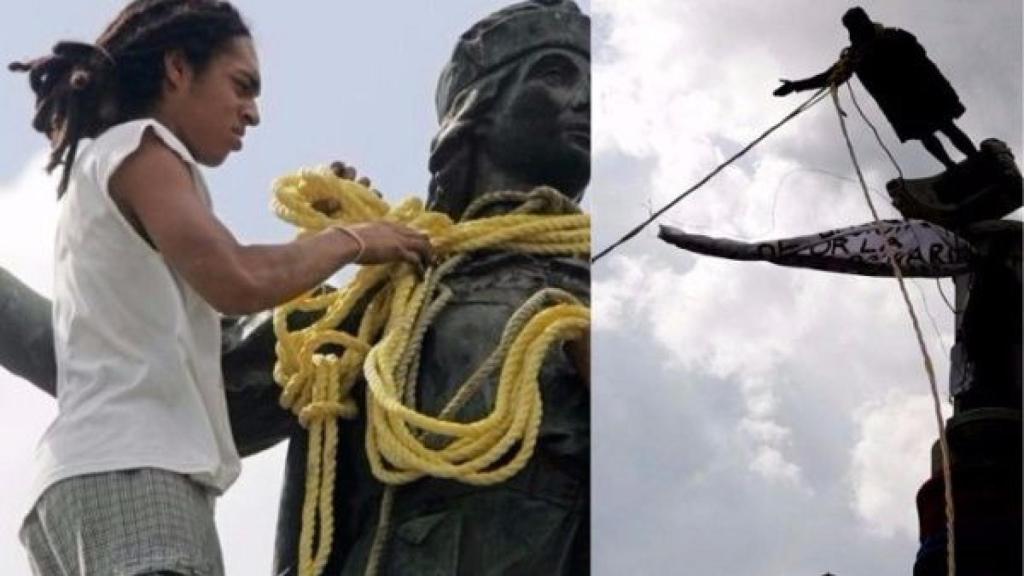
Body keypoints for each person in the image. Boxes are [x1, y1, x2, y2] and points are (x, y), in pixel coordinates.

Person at [8, 1, 430, 574]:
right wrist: (350, 240)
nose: (252, 113)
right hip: (136, 473)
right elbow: (239, 279)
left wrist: (329, 237)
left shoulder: (105, 163)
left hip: (77, 488)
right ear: (177, 69)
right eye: (242, 86)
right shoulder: (144, 148)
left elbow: (225, 282)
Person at [773, 6, 977, 170]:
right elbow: (829, 78)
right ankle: (951, 166)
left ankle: (975, 159)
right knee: (929, 134)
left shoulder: (890, 37)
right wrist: (795, 86)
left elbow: (920, 54)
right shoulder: (856, 54)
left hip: (922, 93)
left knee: (945, 127)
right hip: (902, 103)